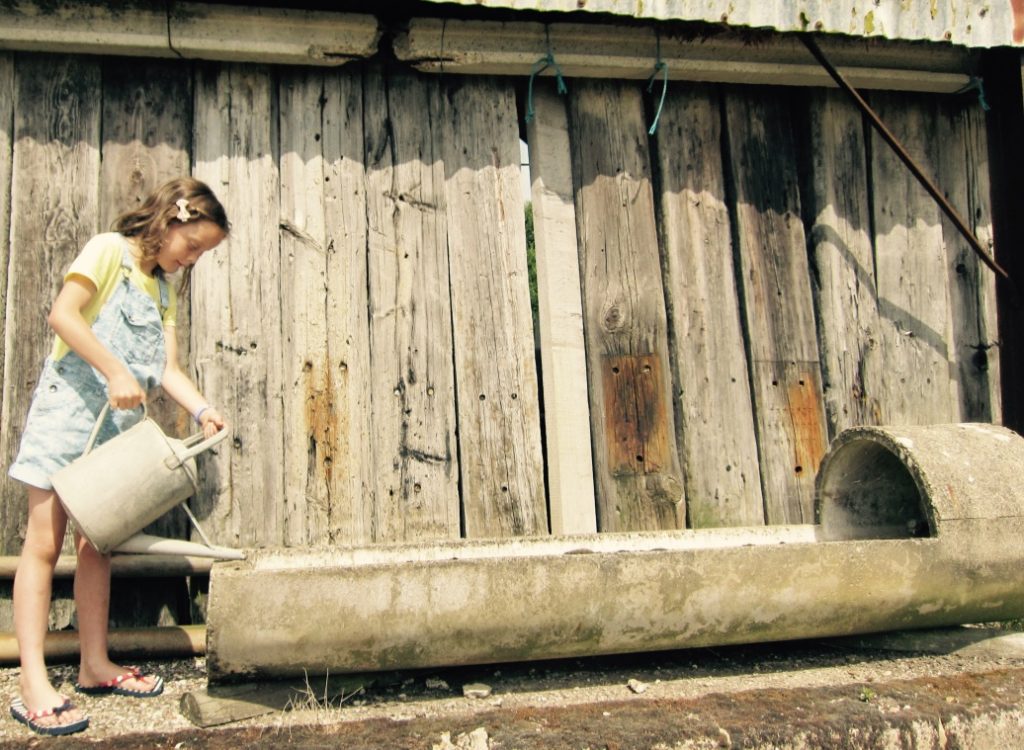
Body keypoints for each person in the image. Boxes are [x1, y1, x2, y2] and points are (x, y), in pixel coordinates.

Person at [7, 177, 229, 736]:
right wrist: (114, 369)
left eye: (203, 253)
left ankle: (94, 663)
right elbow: (64, 315)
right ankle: (33, 681)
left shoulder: (163, 292)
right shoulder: (107, 250)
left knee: (96, 543)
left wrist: (203, 409)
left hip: (118, 425)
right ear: (174, 220)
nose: (193, 259)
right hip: (67, 414)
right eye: (194, 245)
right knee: (43, 544)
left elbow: (168, 370)